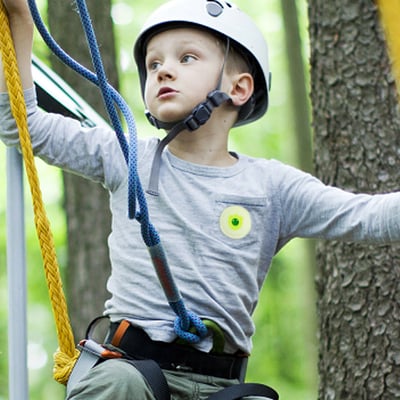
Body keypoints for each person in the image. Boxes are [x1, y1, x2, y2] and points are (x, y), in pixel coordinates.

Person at [1, 0, 400, 399]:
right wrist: (19, 16)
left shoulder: (271, 187)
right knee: (114, 385)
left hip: (222, 385)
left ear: (239, 88)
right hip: (134, 373)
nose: (164, 70)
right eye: (154, 65)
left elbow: (369, 216)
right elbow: (22, 123)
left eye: (186, 57)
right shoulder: (127, 157)